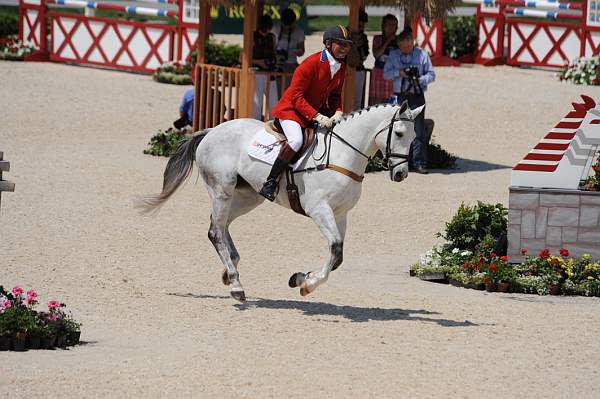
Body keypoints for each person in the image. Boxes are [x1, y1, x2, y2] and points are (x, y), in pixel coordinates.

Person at [258, 25, 352, 202]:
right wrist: (316, 116)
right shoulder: (311, 63)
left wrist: (338, 111)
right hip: (290, 111)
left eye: (347, 45)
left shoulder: (341, 66)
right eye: (341, 44)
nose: (345, 49)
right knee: (296, 140)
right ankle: (270, 182)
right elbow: (296, 96)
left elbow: (335, 95)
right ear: (329, 44)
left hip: (312, 111)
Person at [383, 27, 435, 175]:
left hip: (417, 95)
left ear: (412, 42)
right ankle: (400, 161)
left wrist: (419, 79)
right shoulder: (393, 55)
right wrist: (399, 73)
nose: (405, 50)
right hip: (401, 96)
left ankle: (419, 162)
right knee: (399, 130)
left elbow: (432, 75)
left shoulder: (422, 55)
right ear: (399, 45)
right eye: (402, 47)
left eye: (408, 46)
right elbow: (385, 74)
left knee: (418, 131)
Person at [252, 14, 279, 120]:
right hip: (257, 72)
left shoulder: (272, 37)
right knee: (257, 102)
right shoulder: (253, 37)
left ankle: (274, 123)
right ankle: (255, 122)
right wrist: (259, 62)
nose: (266, 31)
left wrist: (275, 62)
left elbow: (274, 53)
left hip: (270, 72)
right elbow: (244, 59)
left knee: (274, 102)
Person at [369, 14, 398, 105]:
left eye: (394, 25)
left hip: (392, 73)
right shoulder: (378, 39)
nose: (391, 27)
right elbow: (376, 54)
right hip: (379, 72)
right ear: (383, 26)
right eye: (389, 24)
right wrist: (388, 41)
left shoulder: (398, 40)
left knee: (390, 102)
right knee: (376, 102)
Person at [346, 9, 369, 110]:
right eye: (360, 25)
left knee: (357, 99)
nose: (361, 28)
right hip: (345, 69)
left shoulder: (363, 37)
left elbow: (364, 57)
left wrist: (358, 47)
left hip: (359, 69)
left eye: (363, 26)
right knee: (343, 96)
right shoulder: (345, 34)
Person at [272, 8, 305, 73]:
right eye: (285, 25)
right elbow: (269, 47)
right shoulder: (275, 29)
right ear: (281, 21)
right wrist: (276, 55)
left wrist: (297, 51)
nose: (287, 28)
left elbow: (302, 51)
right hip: (276, 63)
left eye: (289, 25)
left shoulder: (299, 32)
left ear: (293, 23)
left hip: (291, 64)